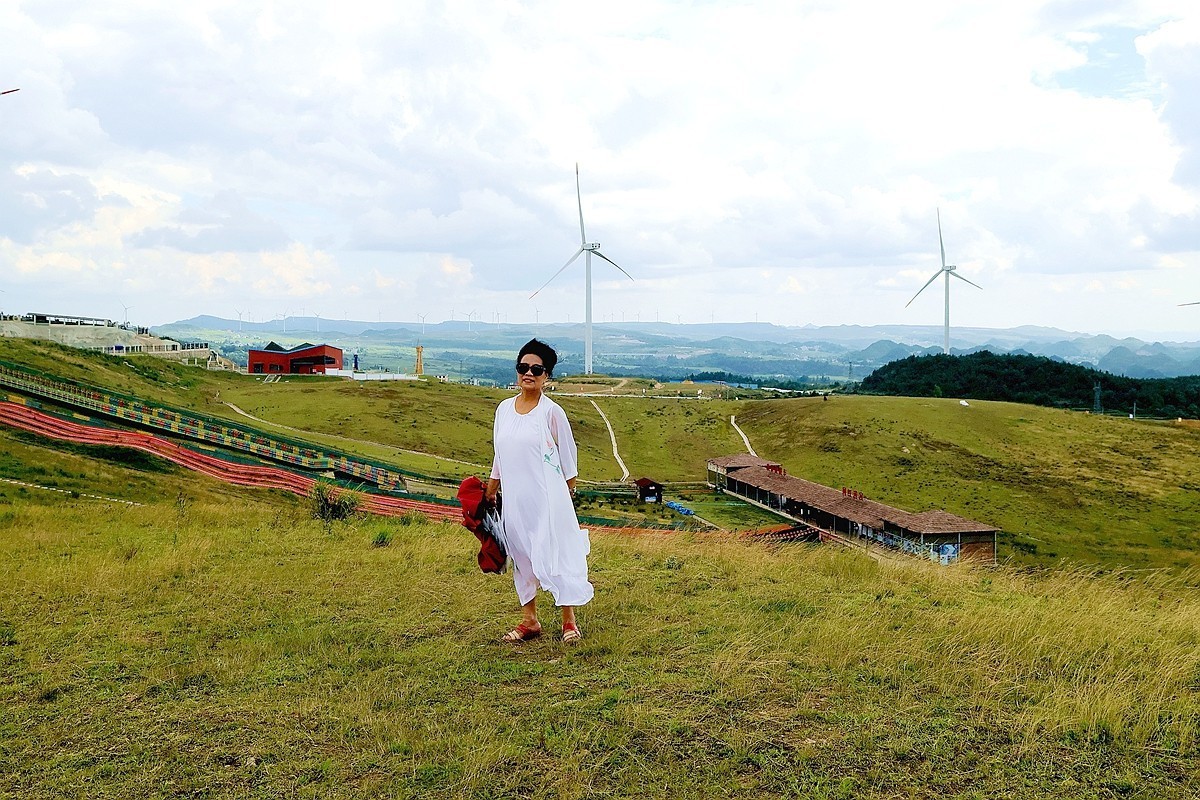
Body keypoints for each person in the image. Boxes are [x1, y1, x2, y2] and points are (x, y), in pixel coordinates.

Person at [486, 339, 593, 643]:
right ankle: (529, 620)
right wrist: (492, 489)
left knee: (554, 554)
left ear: (547, 376)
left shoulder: (551, 413)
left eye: (536, 369)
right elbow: (500, 454)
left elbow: (568, 457)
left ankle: (568, 621)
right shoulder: (504, 409)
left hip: (547, 500)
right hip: (516, 502)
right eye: (523, 367)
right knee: (521, 556)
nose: (528, 373)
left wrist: (565, 498)